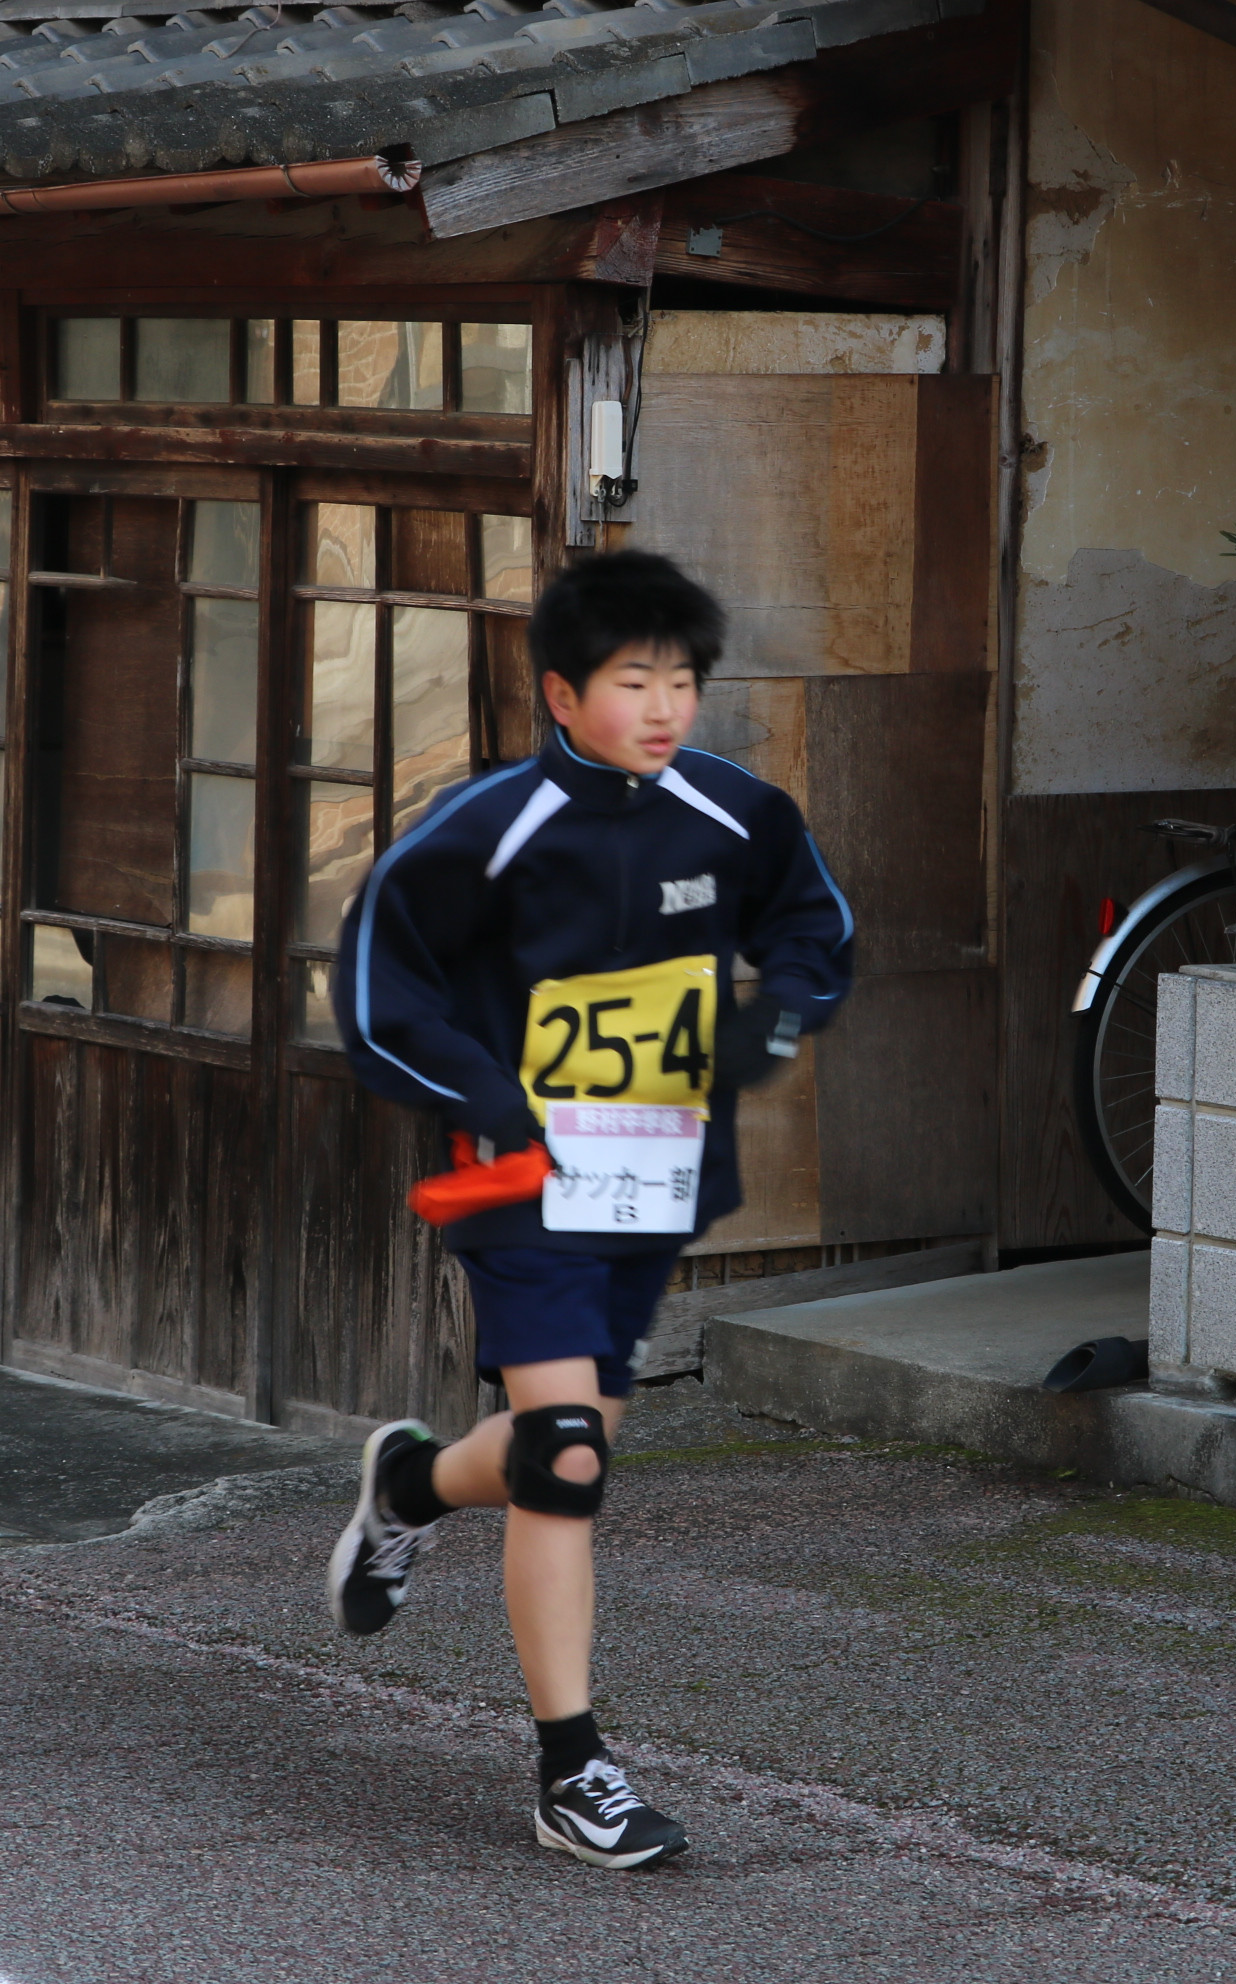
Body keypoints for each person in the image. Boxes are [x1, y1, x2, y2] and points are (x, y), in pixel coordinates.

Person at [325, 549, 855, 1869]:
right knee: (565, 1453)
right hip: (521, 1180)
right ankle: (573, 1771)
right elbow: (379, 988)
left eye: (681, 680)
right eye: (634, 681)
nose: (664, 706)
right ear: (563, 695)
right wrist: (487, 1096)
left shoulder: (736, 812)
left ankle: (410, 1484)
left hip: (652, 1176)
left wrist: (780, 1015)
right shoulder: (484, 826)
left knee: (561, 1447)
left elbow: (818, 930)